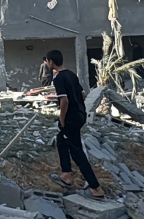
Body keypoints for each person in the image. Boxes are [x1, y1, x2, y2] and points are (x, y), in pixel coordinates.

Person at [45, 50, 105, 199]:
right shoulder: (71, 74)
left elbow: (64, 101)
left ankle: (95, 188)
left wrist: (62, 119)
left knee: (77, 151)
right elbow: (83, 94)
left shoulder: (58, 78)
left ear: (51, 62)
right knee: (61, 140)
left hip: (71, 118)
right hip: (80, 114)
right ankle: (66, 174)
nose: (46, 64)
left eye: (47, 61)